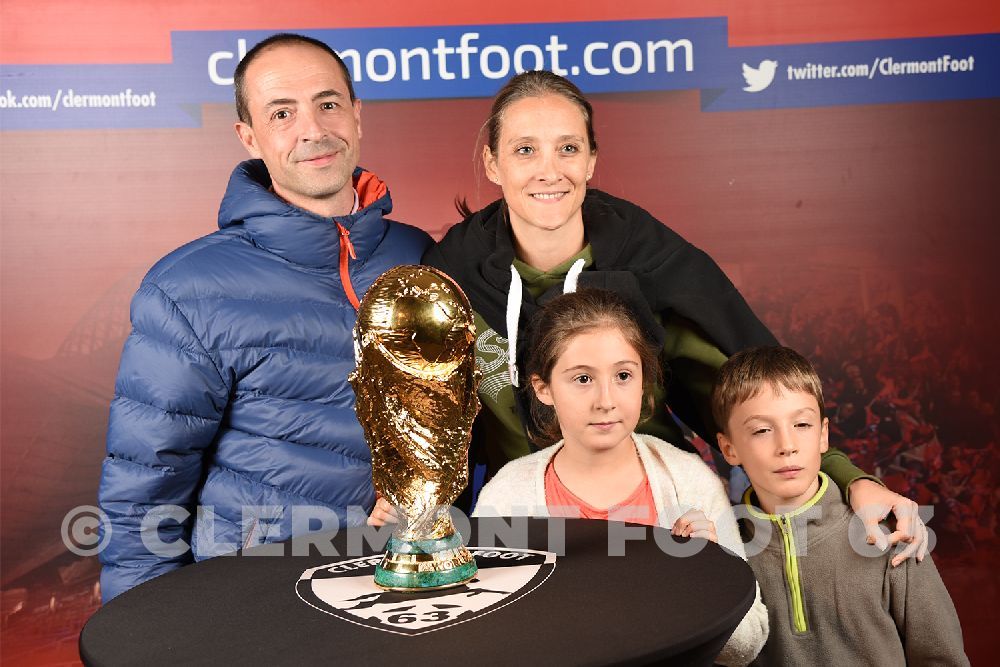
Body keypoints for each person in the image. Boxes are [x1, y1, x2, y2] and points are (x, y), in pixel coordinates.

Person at [419, 69, 926, 554]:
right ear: (492, 163)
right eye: (525, 150)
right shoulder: (449, 276)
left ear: (592, 160)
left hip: (657, 522)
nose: (548, 170)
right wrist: (417, 512)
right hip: (525, 525)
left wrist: (851, 479)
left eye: (568, 148)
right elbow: (429, 424)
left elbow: (754, 389)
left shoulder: (652, 261)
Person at [97, 33, 432, 602]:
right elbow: (143, 490)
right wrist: (145, 638)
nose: (313, 130)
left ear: (356, 114)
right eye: (283, 112)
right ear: (248, 137)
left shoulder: (423, 256)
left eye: (328, 104)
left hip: (423, 588)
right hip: (263, 607)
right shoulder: (188, 288)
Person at [472, 289, 768, 667]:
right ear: (543, 388)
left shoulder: (689, 481)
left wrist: (707, 576)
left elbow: (747, 646)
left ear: (645, 378)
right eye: (582, 379)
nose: (606, 400)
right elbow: (487, 639)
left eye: (623, 375)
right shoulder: (507, 496)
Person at [713, 346, 968, 665]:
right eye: (762, 430)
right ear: (729, 448)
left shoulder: (890, 530)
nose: (787, 446)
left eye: (802, 425)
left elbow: (942, 658)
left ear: (823, 435)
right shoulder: (728, 552)